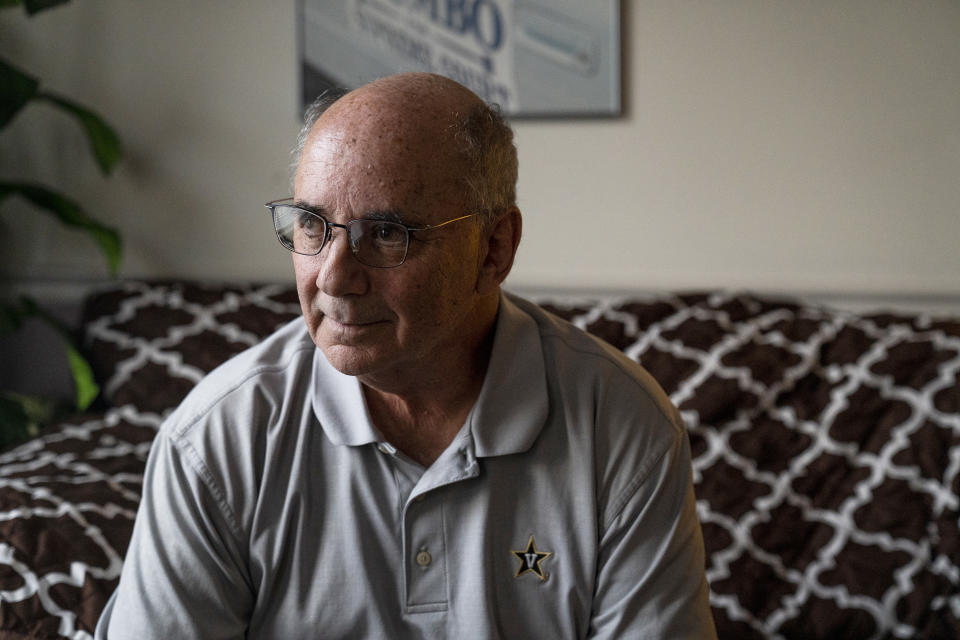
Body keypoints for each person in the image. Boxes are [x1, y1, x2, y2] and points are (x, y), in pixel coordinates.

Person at [96, 72, 717, 639]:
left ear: (494, 249)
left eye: (387, 233)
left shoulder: (623, 428)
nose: (334, 278)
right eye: (310, 224)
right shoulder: (216, 441)